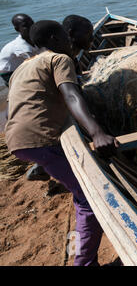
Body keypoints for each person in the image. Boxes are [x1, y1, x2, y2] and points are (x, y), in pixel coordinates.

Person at [5, 20, 119, 266]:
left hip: (16, 140)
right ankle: (84, 263)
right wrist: (97, 132)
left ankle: (44, 166)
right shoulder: (58, 59)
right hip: (40, 140)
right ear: (55, 41)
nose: (69, 42)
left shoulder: (23, 67)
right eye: (65, 39)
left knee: (73, 183)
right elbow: (71, 94)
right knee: (89, 198)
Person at [0, 14, 50, 180]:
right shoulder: (21, 47)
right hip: (10, 73)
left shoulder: (31, 40)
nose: (30, 27)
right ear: (17, 29)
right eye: (25, 26)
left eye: (31, 23)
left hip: (22, 68)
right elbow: (35, 63)